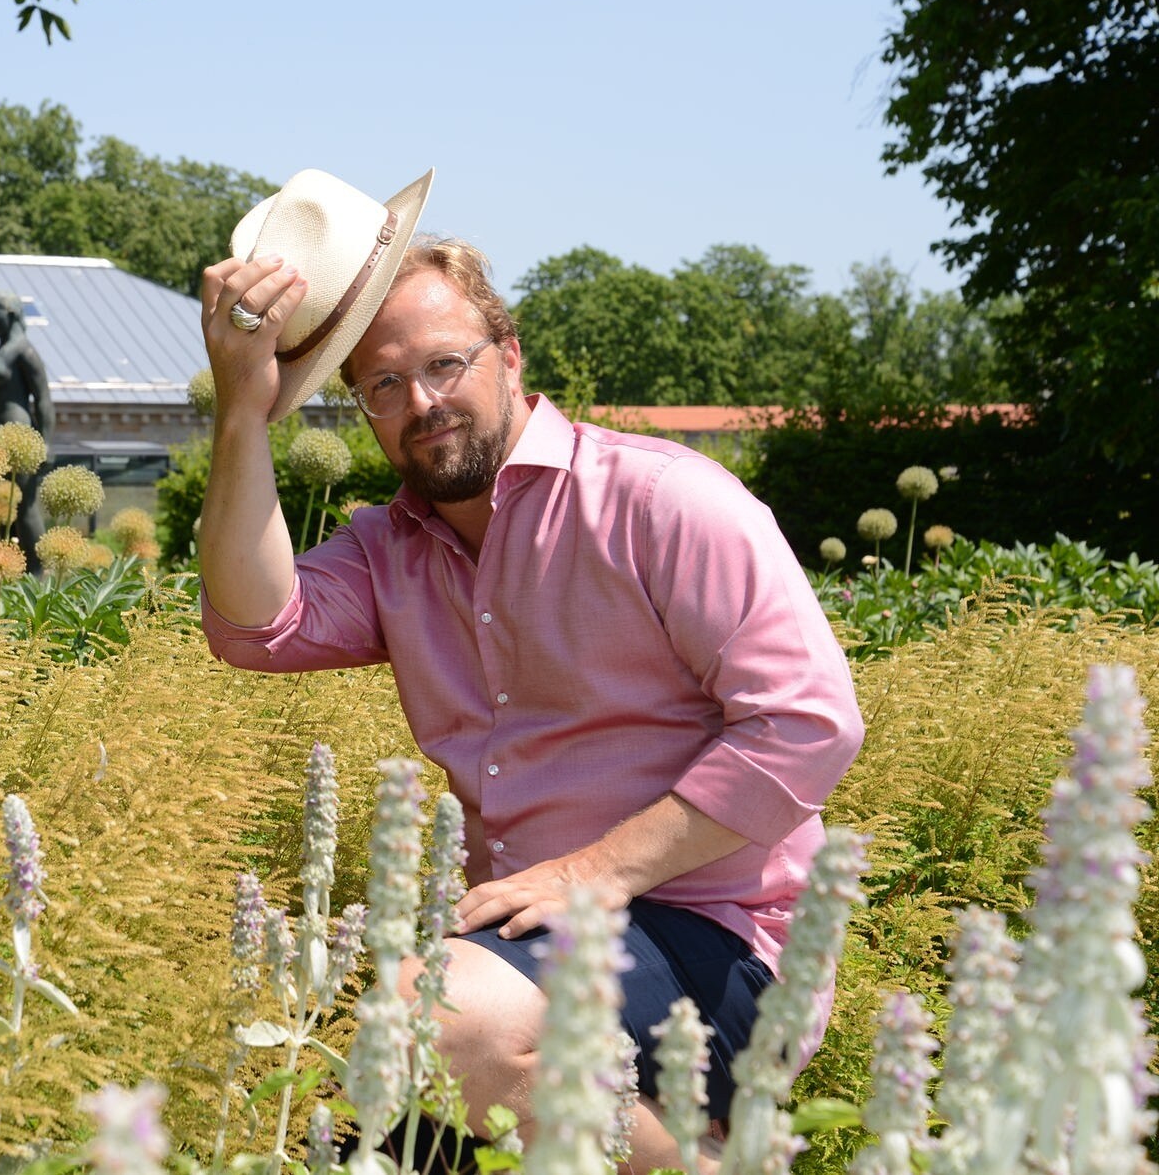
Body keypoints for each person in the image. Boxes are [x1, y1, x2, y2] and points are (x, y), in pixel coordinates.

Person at [196, 172, 862, 1173]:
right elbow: (255, 624)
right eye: (383, 386)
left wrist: (593, 874)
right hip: (524, 949)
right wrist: (243, 415)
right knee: (358, 1133)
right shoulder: (389, 551)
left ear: (508, 355)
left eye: (445, 364)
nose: (422, 402)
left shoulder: (664, 503)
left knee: (435, 1027)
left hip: (718, 941)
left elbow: (809, 723)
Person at [0, 291, 54, 568]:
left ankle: (38, 570)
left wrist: (45, 443)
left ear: (10, 314)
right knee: (0, 508)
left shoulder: (24, 351)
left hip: (19, 438)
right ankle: (7, 567)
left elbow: (43, 400)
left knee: (24, 506)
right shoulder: (0, 351)